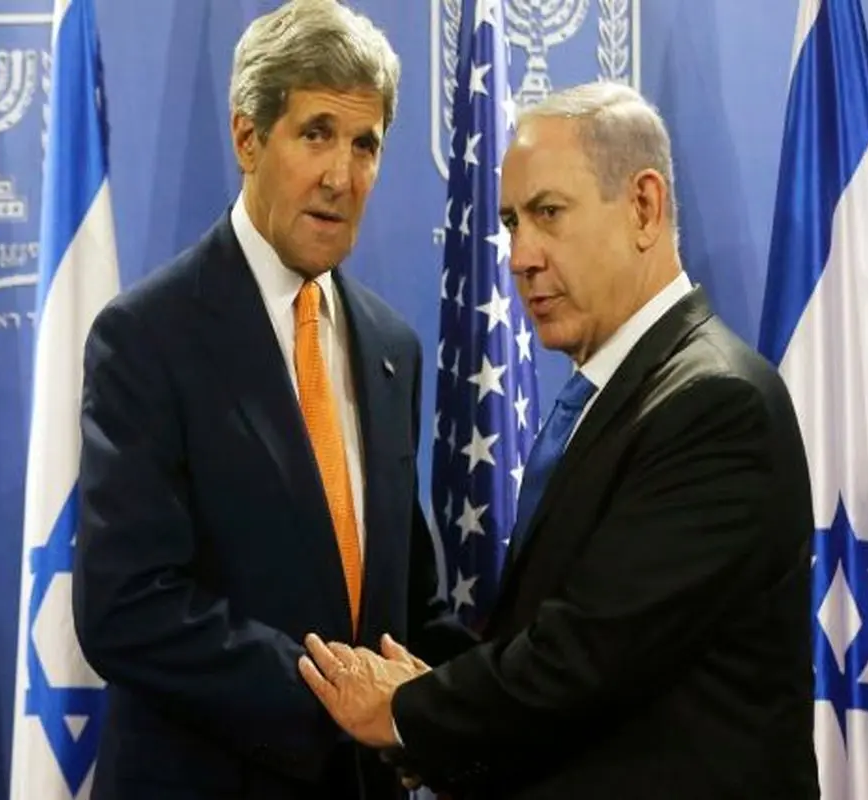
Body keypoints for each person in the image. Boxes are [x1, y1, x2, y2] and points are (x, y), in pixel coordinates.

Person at [298, 80, 821, 799]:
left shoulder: (716, 404)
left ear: (644, 207)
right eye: (512, 222)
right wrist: (449, 731)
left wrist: (402, 713)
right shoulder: (617, 392)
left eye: (549, 214)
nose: (520, 256)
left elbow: (585, 656)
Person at [72, 2, 470, 797]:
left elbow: (404, 597)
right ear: (248, 138)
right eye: (316, 133)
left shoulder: (391, 347)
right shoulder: (148, 336)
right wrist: (340, 700)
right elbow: (126, 607)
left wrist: (461, 710)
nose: (340, 177)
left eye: (364, 144)